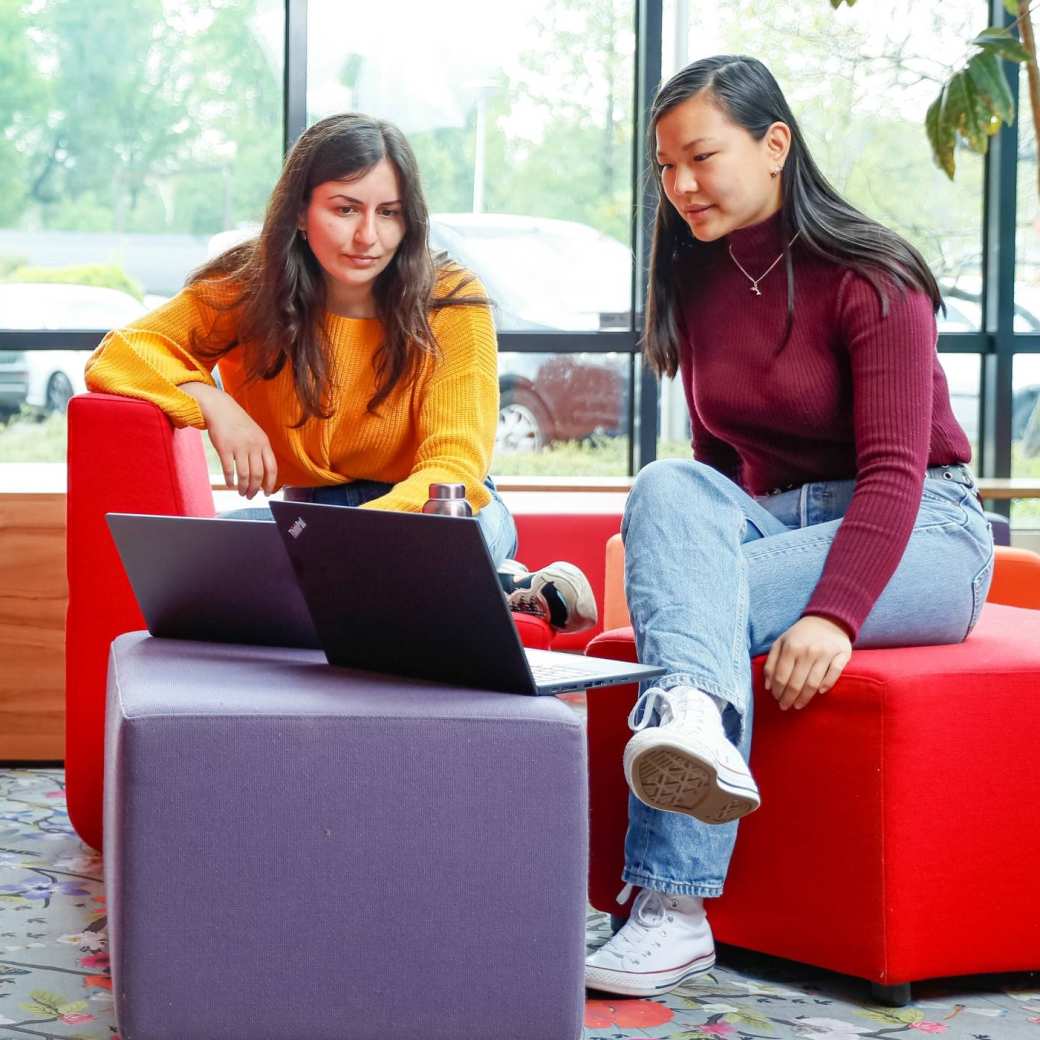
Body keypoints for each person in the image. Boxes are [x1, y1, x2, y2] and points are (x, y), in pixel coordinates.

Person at [584, 56, 994, 995]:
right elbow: (716, 471)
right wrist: (693, 550)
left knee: (695, 617)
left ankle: (670, 907)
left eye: (700, 157)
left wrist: (832, 615)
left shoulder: (872, 274)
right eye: (664, 167)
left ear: (775, 146)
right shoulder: (696, 275)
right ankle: (692, 717)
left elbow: (894, 473)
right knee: (665, 484)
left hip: (924, 532)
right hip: (780, 523)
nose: (680, 185)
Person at [84, 113, 596, 634]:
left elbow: (454, 464)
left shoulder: (451, 297)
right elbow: (119, 354)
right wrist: (213, 402)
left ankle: (475, 581)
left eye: (389, 213)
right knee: (199, 568)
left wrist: (352, 545)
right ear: (301, 213)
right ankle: (502, 589)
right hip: (316, 518)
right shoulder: (251, 283)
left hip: (441, 512)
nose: (368, 236)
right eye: (345, 209)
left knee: (391, 566)